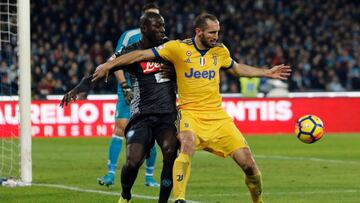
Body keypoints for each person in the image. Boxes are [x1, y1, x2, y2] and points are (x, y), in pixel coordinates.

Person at [92, 13, 291, 203]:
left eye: (218, 32)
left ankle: (258, 200)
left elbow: (238, 69)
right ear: (199, 32)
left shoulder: (220, 51)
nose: (216, 37)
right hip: (189, 113)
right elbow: (140, 55)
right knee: (186, 144)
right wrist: (109, 65)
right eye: (212, 32)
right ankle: (179, 199)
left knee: (249, 164)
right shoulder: (177, 48)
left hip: (218, 117)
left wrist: (267, 73)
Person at [61, 12, 179, 203]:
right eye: (157, 26)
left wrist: (174, 72)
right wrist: (77, 90)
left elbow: (191, 68)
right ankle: (125, 195)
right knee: (133, 163)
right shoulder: (130, 52)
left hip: (167, 115)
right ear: (144, 29)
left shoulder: (171, 48)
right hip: (142, 115)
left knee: (170, 151)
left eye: (163, 26)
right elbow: (103, 70)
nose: (162, 30)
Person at [97, 2, 161, 188]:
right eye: (150, 15)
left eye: (156, 16)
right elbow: (114, 62)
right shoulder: (129, 36)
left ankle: (149, 177)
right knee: (121, 128)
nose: (153, 20)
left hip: (150, 91)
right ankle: (110, 174)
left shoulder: (162, 39)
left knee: (153, 133)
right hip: (129, 88)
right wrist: (125, 86)